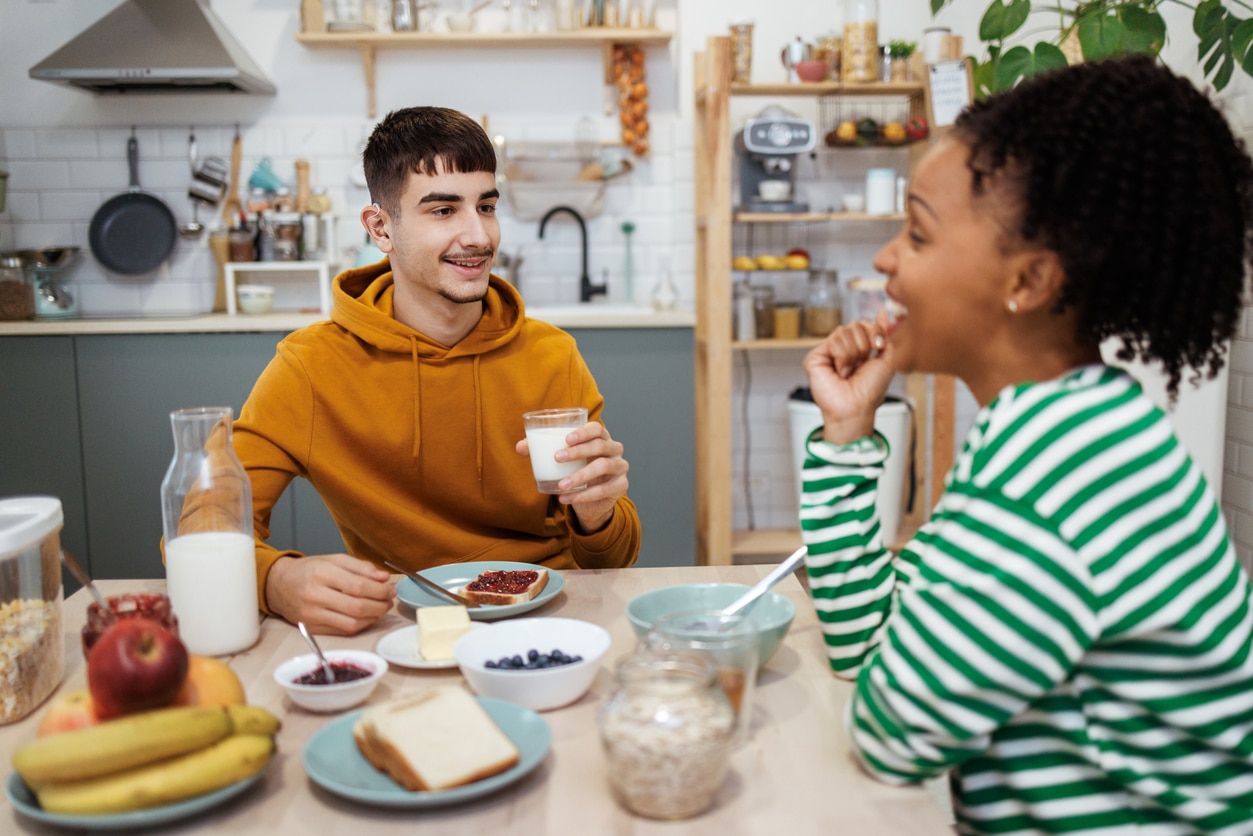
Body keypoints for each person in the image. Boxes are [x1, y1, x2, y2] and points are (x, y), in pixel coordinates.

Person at [798, 56, 1253, 834]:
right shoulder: (1066, 430)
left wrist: (894, 662)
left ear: (1030, 280)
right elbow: (869, 648)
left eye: (916, 233)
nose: (885, 260)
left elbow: (888, 730)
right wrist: (845, 434)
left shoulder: (1057, 472)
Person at [234, 106, 641, 635]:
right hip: (403, 628)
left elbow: (613, 562)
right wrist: (273, 580)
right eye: (443, 211)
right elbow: (204, 521)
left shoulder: (551, 355)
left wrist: (600, 513)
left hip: (550, 618)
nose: (478, 236)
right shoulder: (311, 367)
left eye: (486, 206)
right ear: (380, 227)